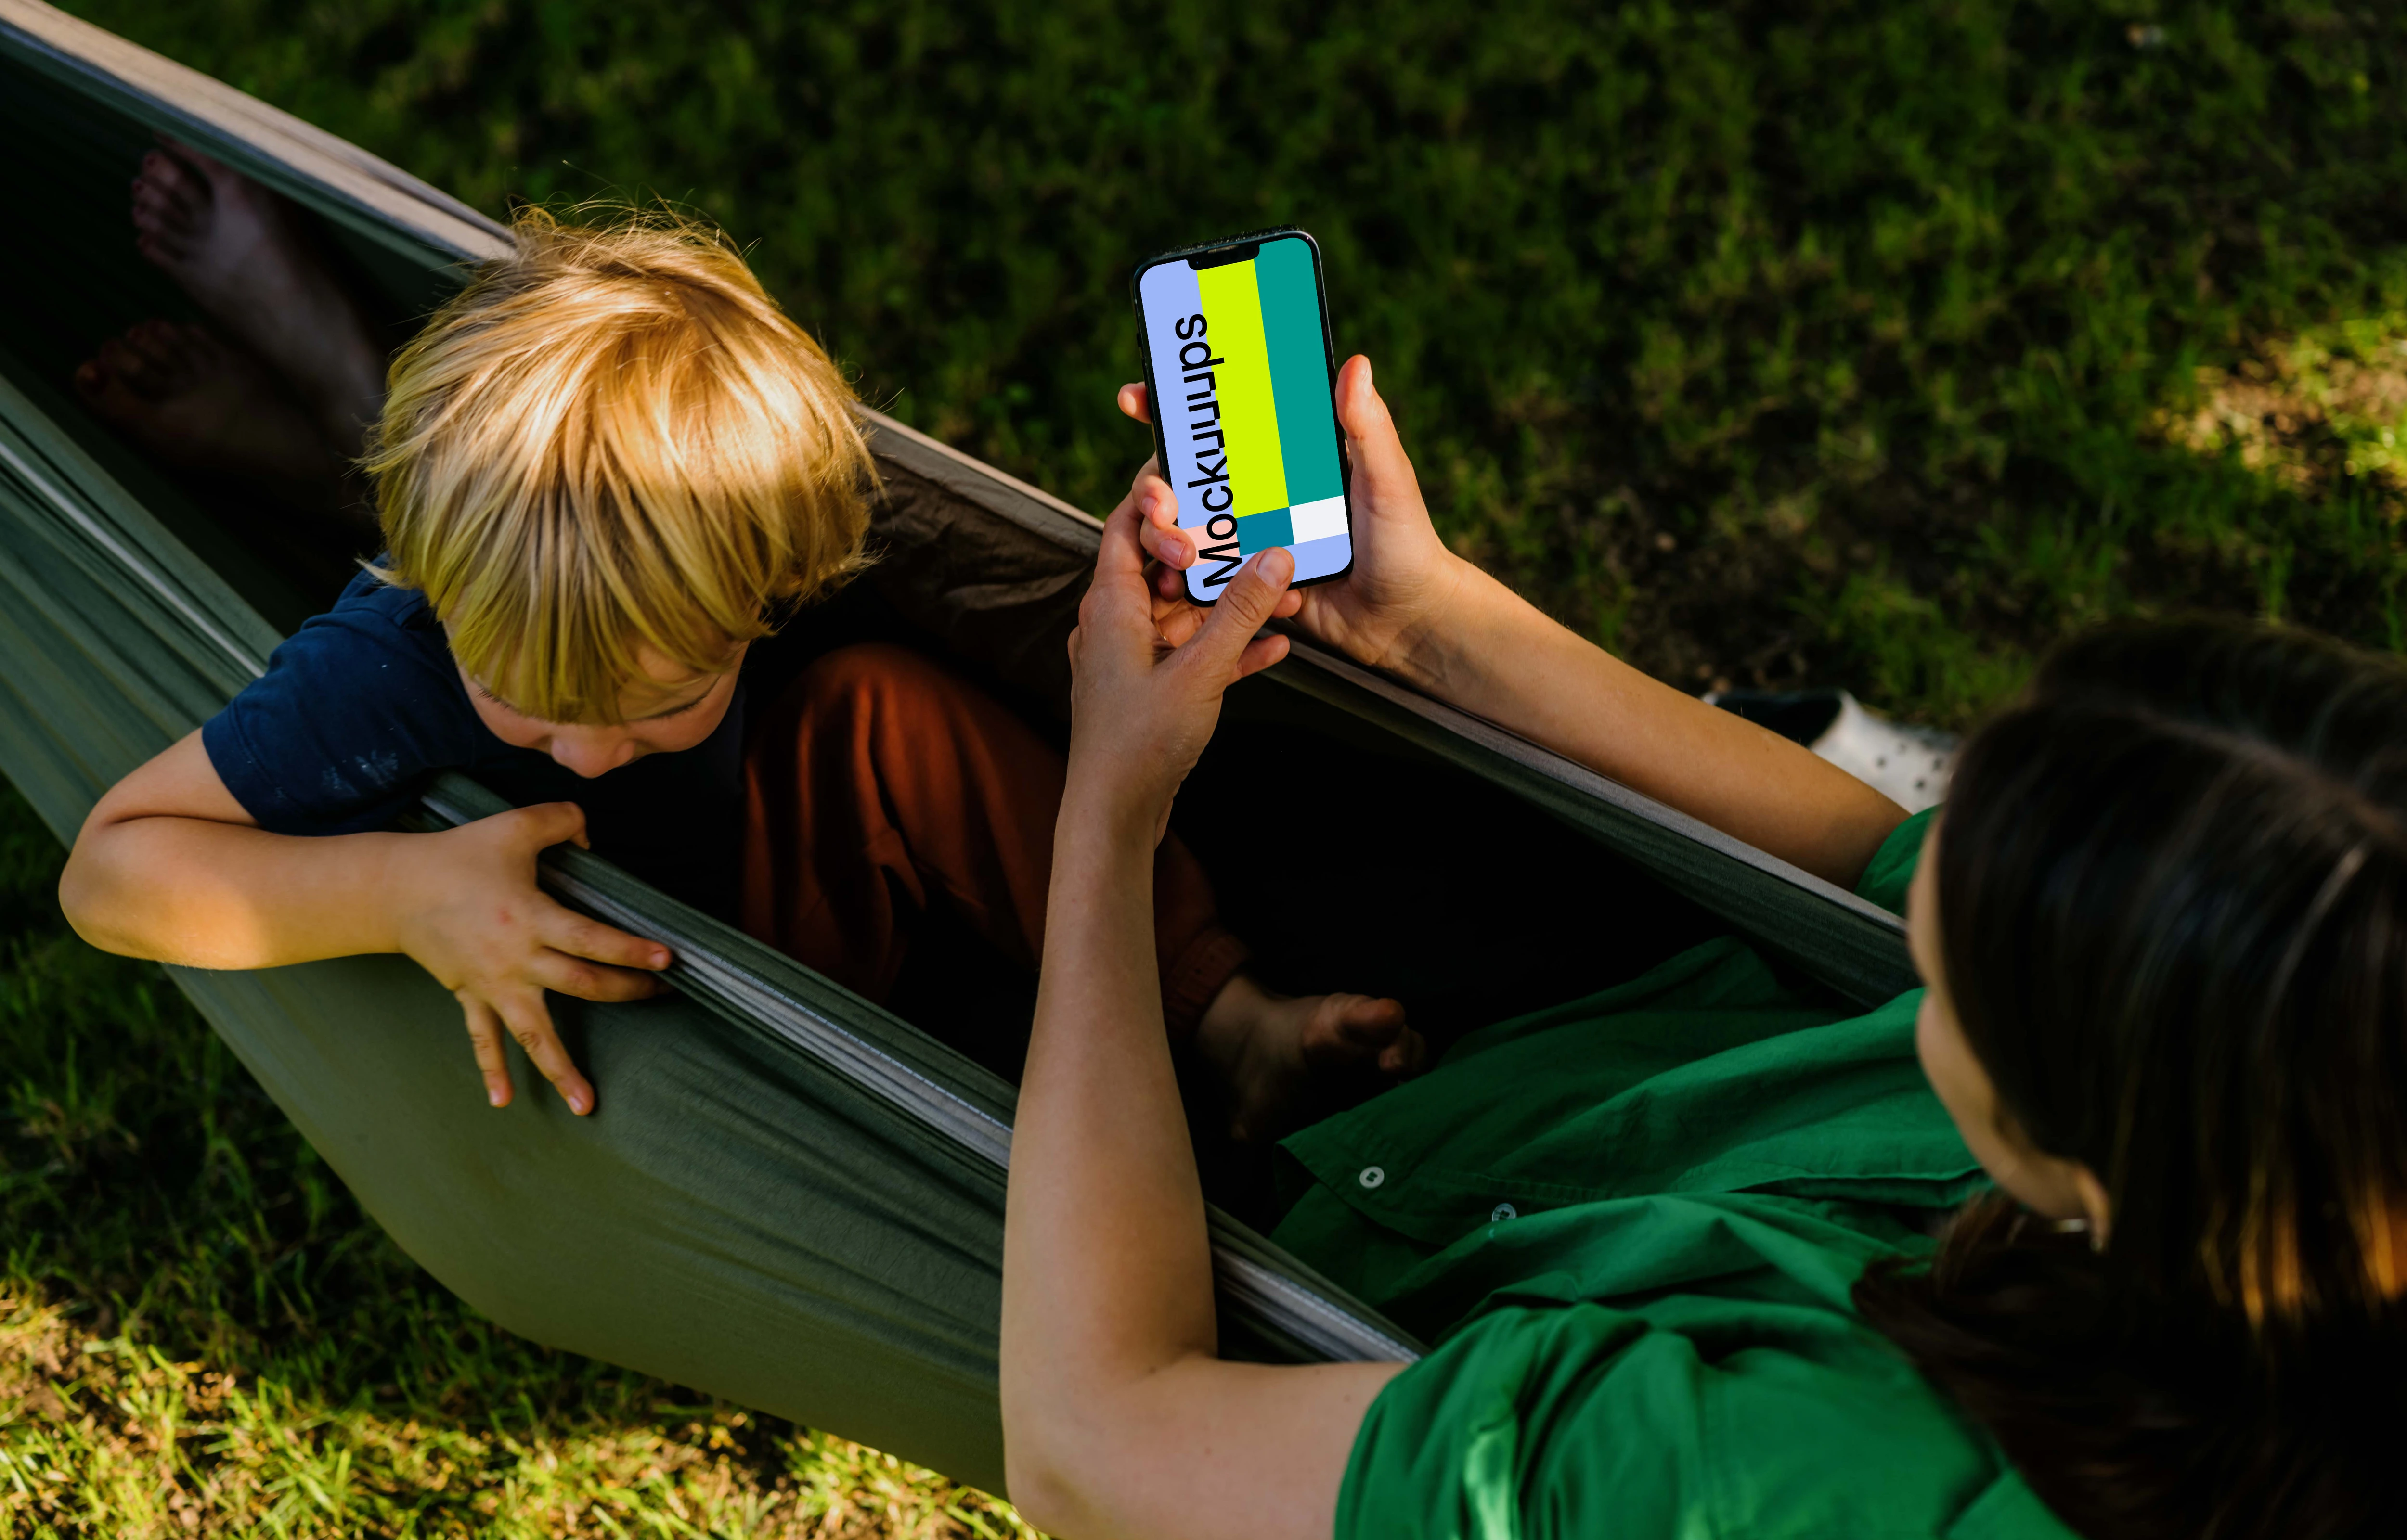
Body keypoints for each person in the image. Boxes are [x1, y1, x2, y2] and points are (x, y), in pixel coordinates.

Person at [998, 354, 2406, 1539]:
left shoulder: (1782, 1479)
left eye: (1982, 913)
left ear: (2096, 1138)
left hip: (1338, 1263)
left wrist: (1113, 812)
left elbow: (1096, 1443)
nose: (1943, 839)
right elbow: (1862, 858)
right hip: (1560, 1071)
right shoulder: (2295, 1132)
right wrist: (1428, 622)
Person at [55, 146, 1422, 1132]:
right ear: (429, 599)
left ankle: (1230, 1024)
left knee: (879, 710)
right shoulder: (387, 664)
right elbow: (109, 875)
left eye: (664, 697)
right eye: (525, 705)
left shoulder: (738, 568)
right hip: (671, 1018)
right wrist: (404, 898)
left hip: (770, 908)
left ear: (770, 593)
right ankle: (344, 437)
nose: (588, 751)